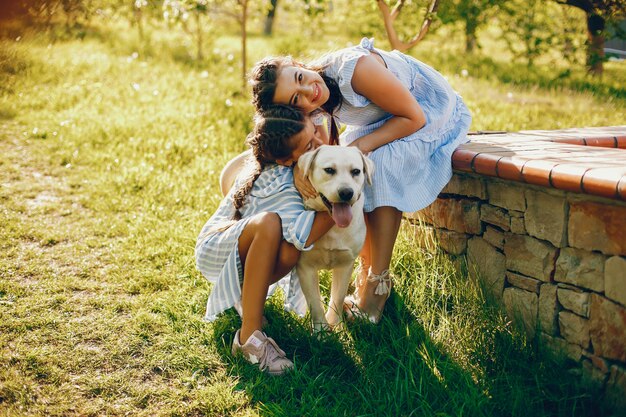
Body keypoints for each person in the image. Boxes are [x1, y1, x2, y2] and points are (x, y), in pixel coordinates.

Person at [248, 37, 472, 324]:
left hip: (430, 111)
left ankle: (379, 283)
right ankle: (365, 271)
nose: (308, 91)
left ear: (297, 64)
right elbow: (316, 152)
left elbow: (413, 117)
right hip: (389, 119)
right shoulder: (314, 108)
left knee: (376, 165)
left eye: (300, 78)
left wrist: (358, 149)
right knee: (348, 167)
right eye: (296, 100)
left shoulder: (355, 69)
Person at [196, 105, 332, 375]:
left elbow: (321, 116)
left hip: (239, 247)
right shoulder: (281, 181)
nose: (318, 144)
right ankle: (249, 340)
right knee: (270, 223)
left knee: (289, 252)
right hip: (214, 248)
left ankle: (245, 296)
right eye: (308, 146)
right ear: (285, 160)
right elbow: (305, 233)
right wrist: (341, 206)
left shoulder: (287, 164)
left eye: (315, 133)